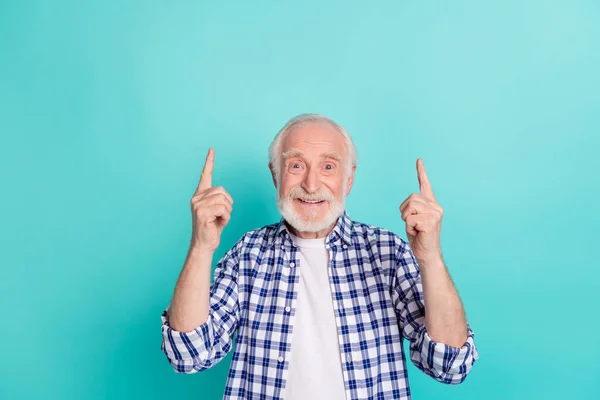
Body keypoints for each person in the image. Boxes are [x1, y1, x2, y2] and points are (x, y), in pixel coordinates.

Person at [160, 114, 478, 399]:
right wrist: (201, 247)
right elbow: (189, 355)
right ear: (275, 175)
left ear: (348, 179)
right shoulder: (248, 254)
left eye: (328, 166)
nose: (311, 185)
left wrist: (431, 258)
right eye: (296, 165)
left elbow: (450, 365)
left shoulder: (387, 253)